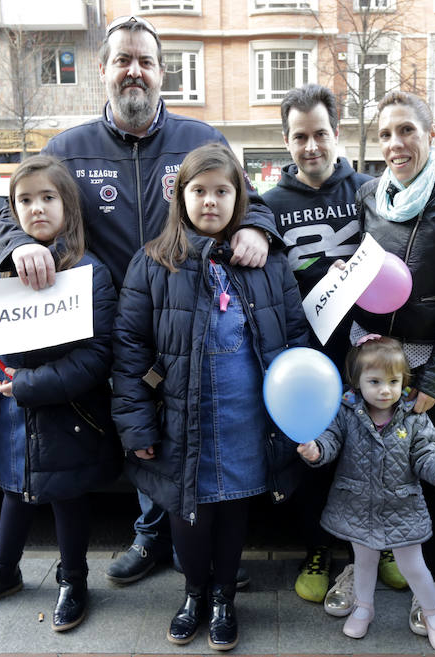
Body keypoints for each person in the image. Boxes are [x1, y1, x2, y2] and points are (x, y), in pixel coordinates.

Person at [0, 15, 278, 587]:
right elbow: (14, 209)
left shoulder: (201, 140)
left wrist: (260, 231)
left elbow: (249, 201)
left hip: (186, 321)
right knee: (142, 436)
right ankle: (152, 538)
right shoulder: (67, 150)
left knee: (185, 434)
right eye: (122, 61)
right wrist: (20, 243)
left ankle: (200, 552)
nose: (134, 72)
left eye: (145, 61)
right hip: (104, 328)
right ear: (102, 71)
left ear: (162, 72)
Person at [262, 83, 435, 606]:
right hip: (308, 360)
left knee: (380, 456)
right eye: (299, 137)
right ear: (286, 142)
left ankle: (384, 548)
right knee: (317, 455)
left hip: (373, 355)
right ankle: (320, 548)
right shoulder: (267, 203)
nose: (310, 146)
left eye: (320, 134)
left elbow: (423, 204)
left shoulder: (366, 188)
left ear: (337, 135)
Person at [111, 143, 310, 651]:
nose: (210, 202)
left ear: (239, 197)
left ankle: (224, 596)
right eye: (198, 191)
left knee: (233, 509)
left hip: (245, 415)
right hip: (181, 418)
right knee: (188, 513)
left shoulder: (266, 261)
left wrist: (298, 413)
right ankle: (193, 593)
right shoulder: (154, 263)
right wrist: (138, 427)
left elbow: (294, 338)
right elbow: (130, 351)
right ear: (180, 198)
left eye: (222, 191)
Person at [338, 90, 435, 637]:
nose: (395, 144)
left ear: (432, 135)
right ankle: (364, 573)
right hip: (373, 360)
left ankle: (427, 592)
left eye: (406, 130)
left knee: (426, 477)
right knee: (364, 468)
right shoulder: (369, 194)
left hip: (426, 368)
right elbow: (362, 272)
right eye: (385, 134)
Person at [0, 155, 122, 632]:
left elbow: (96, 357)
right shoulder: (7, 269)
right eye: (25, 200)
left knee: (66, 495)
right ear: (13, 208)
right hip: (15, 417)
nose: (37, 208)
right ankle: (2, 570)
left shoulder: (89, 272)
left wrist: (30, 385)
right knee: (15, 490)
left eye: (48, 198)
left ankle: (74, 579)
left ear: (69, 206)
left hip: (67, 413)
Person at [296, 336, 435, 650]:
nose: (385, 390)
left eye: (393, 381)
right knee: (363, 561)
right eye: (374, 381)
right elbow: (330, 440)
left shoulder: (413, 416)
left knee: (414, 565)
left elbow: (427, 453)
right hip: (358, 502)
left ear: (404, 381)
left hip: (401, 505)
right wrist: (316, 450)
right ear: (357, 382)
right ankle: (364, 607)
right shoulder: (347, 412)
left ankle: (433, 614)